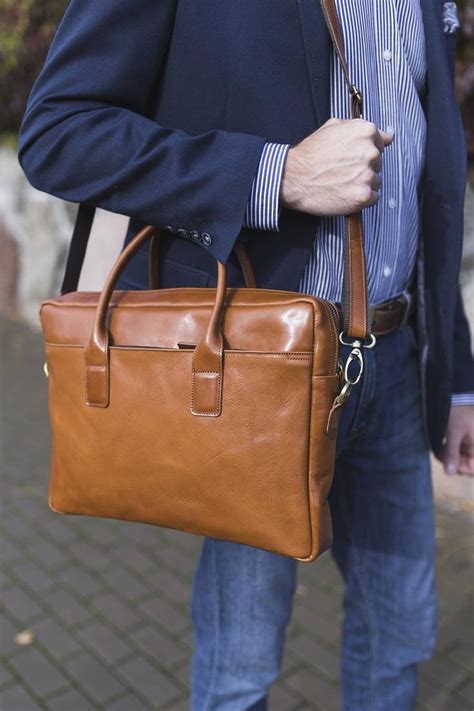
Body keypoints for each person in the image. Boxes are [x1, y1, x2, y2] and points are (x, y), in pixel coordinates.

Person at [18, 1, 474, 709]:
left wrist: (460, 382)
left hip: (395, 362)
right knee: (242, 662)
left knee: (400, 633)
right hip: (255, 373)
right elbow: (59, 132)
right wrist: (277, 174)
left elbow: (429, 187)